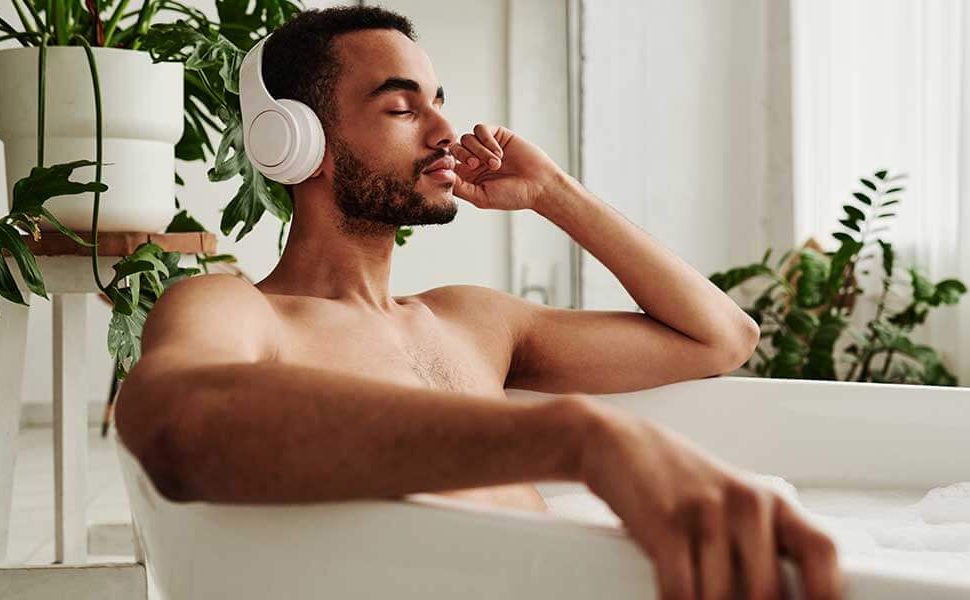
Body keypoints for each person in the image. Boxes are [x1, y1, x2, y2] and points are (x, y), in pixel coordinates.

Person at [113, 6, 841, 600]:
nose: (443, 133)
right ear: (297, 143)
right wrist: (580, 437)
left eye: (439, 103)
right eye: (402, 108)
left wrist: (557, 194)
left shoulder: (473, 320)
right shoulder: (237, 310)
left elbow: (722, 339)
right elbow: (171, 420)